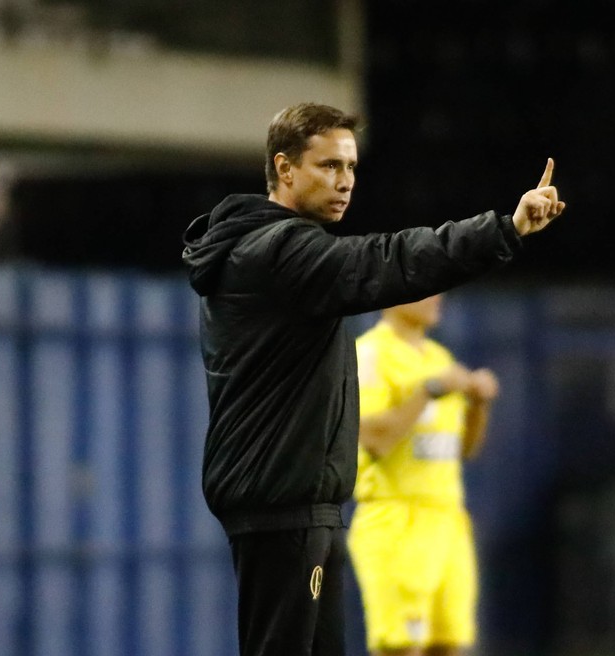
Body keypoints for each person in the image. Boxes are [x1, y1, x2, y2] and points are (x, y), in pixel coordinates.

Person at [180, 102, 565, 656]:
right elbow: (387, 260)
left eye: (352, 168)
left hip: (301, 501)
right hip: (285, 499)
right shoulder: (280, 250)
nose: (345, 182)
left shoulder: (271, 248)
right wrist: (505, 228)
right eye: (329, 166)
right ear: (284, 169)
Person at [348, 294, 497, 656]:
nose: (438, 295)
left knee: (449, 644)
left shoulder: (438, 359)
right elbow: (374, 438)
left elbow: (463, 449)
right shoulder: (369, 355)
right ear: (393, 295)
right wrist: (430, 391)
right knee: (400, 648)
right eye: (426, 288)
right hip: (397, 519)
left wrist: (479, 404)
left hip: (447, 520)